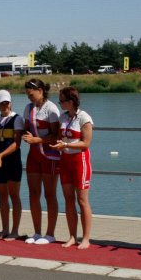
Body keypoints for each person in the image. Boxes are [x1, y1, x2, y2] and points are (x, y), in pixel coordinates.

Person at [50, 87, 93, 249]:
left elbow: (86, 143)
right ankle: (72, 236)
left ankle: (86, 238)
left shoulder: (84, 118)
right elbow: (59, 137)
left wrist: (66, 145)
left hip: (79, 161)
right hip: (65, 160)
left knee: (82, 200)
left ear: (70, 101)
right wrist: (58, 145)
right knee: (68, 199)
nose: (59, 103)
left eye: (61, 101)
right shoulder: (63, 117)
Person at [22, 79, 60, 244]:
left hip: (50, 156)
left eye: (31, 93)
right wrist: (24, 135)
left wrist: (37, 139)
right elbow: (26, 129)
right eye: (27, 94)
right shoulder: (28, 108)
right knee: (33, 193)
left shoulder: (51, 109)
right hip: (33, 155)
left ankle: (50, 234)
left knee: (49, 194)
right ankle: (37, 232)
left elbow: (56, 135)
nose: (29, 96)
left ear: (41, 90)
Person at [0, 90, 23, 241]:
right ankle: (5, 229)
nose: (4, 106)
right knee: (2, 196)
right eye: (1, 103)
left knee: (14, 196)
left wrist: (0, 156)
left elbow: (17, 143)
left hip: (12, 162)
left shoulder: (17, 119)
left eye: (6, 103)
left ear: (10, 103)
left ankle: (15, 231)